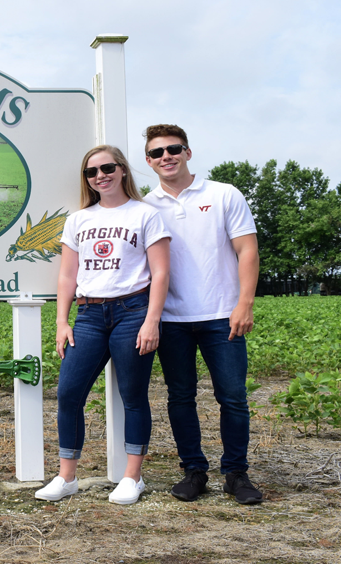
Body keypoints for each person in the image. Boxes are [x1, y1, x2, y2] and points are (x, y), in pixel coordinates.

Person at [35, 145, 171, 505]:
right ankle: (67, 477)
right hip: (90, 316)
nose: (100, 176)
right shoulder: (79, 220)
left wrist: (151, 321)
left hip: (133, 312)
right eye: (91, 172)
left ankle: (132, 477)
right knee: (68, 393)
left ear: (123, 170)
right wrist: (62, 322)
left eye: (107, 168)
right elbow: (67, 276)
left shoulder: (146, 215)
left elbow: (160, 273)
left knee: (133, 395)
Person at [142, 124, 262, 505]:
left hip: (221, 317)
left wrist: (244, 303)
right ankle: (194, 470)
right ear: (149, 161)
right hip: (172, 320)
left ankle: (236, 473)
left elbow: (247, 251)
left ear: (188, 153)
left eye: (174, 149)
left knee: (233, 397)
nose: (167, 156)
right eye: (158, 152)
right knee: (180, 397)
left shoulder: (223, 194)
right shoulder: (146, 205)